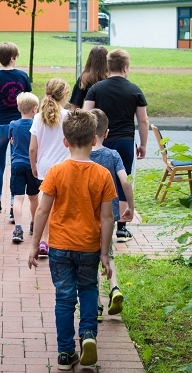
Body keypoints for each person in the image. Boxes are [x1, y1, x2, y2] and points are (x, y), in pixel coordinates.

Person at [27, 110, 116, 370]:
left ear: (65, 141)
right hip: (89, 246)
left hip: (60, 246)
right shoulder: (103, 175)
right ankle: (88, 334)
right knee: (88, 289)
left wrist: (34, 245)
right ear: (94, 140)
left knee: (64, 298)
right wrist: (104, 253)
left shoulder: (56, 172)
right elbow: (107, 217)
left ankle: (65, 353)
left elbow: (42, 210)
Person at [83, 48, 148, 240]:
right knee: (122, 181)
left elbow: (86, 114)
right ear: (125, 67)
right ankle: (121, 226)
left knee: (96, 180)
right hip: (125, 141)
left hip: (100, 140)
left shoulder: (96, 89)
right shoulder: (135, 90)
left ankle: (96, 221)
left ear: (108, 66)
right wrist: (143, 144)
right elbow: (143, 120)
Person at [89, 108, 134, 321]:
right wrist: (130, 206)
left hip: (88, 214)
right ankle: (114, 287)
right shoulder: (113, 155)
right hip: (110, 212)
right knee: (107, 252)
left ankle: (97, 305)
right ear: (106, 132)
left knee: (92, 257)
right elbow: (125, 181)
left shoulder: (83, 156)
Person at [0, 42, 32, 215]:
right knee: (16, 164)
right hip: (18, 125)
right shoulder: (23, 77)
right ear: (12, 58)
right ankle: (13, 204)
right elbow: (28, 102)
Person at [29, 78, 71, 257]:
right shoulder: (69, 116)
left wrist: (34, 165)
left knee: (45, 204)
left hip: (45, 166)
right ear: (65, 95)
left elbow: (33, 147)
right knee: (63, 204)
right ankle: (60, 238)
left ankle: (44, 240)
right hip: (65, 166)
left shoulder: (39, 117)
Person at [8, 91, 40, 243]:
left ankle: (18, 228)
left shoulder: (13, 124)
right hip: (32, 165)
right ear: (34, 109)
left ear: (18, 107)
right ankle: (34, 223)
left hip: (17, 164)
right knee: (34, 198)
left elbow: (12, 140)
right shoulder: (36, 125)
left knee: (18, 198)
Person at [69, 45, 108, 111]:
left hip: (90, 115)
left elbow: (75, 107)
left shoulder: (83, 80)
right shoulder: (111, 79)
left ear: (90, 60)